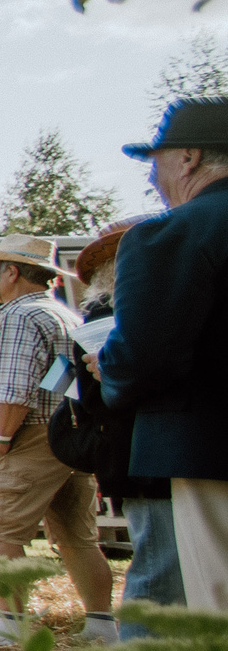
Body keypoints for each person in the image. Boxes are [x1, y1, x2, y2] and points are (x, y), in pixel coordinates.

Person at [98, 98, 228, 616]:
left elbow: (144, 357)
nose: (154, 177)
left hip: (213, 449)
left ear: (189, 157)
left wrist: (109, 371)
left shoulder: (172, 235)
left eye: (156, 160)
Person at [0, 233, 112, 648]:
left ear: (12, 272)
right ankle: (102, 625)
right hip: (69, 436)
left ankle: (12, 626)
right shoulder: (61, 312)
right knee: (77, 535)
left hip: (27, 437)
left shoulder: (17, 317)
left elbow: (15, 393)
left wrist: (0, 439)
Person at [62, 219, 180, 641]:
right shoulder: (104, 318)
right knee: (160, 568)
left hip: (161, 456)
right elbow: (85, 395)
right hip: (141, 458)